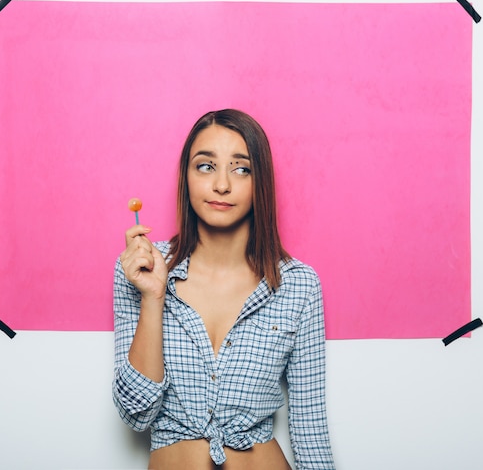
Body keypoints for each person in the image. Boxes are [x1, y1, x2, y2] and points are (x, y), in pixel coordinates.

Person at [112, 109, 335, 469]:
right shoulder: (142, 268)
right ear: (186, 177)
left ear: (259, 182)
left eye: (241, 168)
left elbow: (309, 428)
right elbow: (136, 412)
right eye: (205, 166)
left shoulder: (299, 284)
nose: (222, 185)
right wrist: (154, 297)